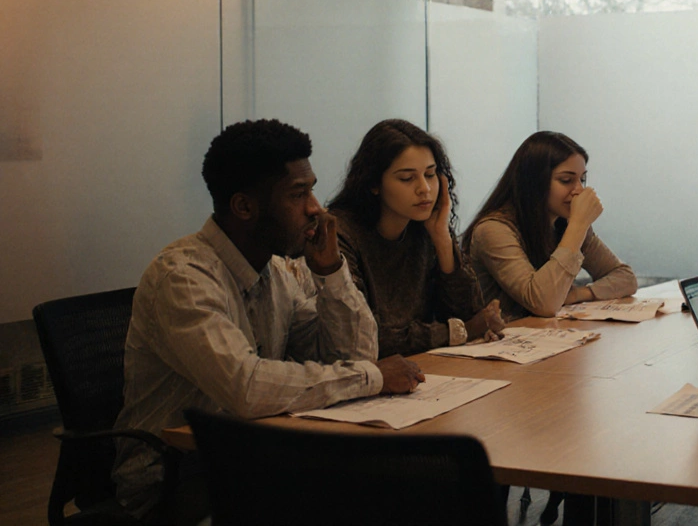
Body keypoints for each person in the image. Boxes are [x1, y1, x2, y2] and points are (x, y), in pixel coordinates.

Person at [113, 119, 425, 523]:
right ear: (244, 207)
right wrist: (372, 377)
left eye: (311, 189)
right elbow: (248, 388)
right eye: (298, 194)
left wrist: (330, 271)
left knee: (400, 493)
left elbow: (354, 354)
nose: (316, 208)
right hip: (176, 479)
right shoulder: (184, 279)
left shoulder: (277, 270)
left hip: (258, 459)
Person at [328, 119, 503, 358]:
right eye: (407, 179)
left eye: (430, 175)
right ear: (374, 184)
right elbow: (364, 336)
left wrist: (442, 239)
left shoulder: (425, 226)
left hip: (423, 370)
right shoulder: (341, 234)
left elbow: (470, 314)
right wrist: (457, 332)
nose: (425, 189)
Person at [462, 131, 637, 320]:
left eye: (582, 179)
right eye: (566, 180)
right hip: (499, 344)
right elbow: (543, 303)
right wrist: (578, 226)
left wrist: (578, 294)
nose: (579, 190)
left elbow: (625, 278)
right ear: (534, 181)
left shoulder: (566, 224)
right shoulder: (493, 230)